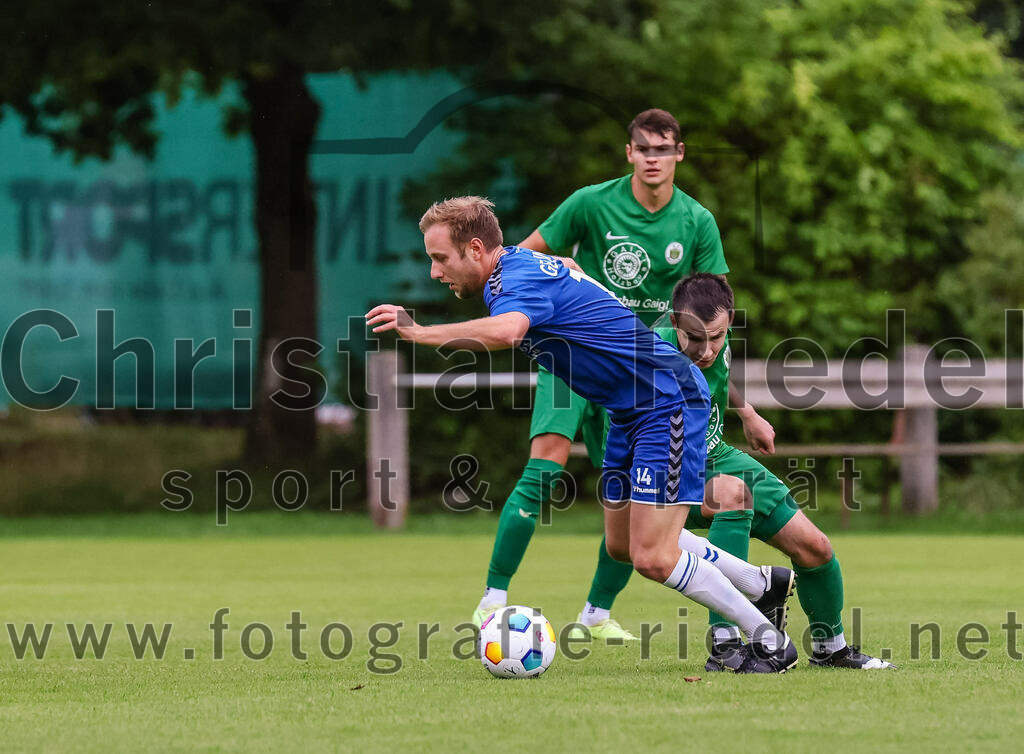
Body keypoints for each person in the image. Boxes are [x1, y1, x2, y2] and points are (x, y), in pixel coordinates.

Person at [366, 196, 797, 673]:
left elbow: (509, 331)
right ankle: (759, 583)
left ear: (474, 248)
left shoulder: (516, 281)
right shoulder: (520, 262)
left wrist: (418, 332)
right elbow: (568, 264)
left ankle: (768, 638)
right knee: (621, 544)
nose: (433, 271)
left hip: (666, 402)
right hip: (628, 413)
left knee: (653, 557)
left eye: (439, 258)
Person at [475, 108, 747, 639]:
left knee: (623, 493)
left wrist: (743, 405)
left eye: (662, 149)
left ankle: (596, 614)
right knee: (546, 464)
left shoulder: (697, 221)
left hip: (645, 371)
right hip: (573, 352)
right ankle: (493, 597)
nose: (652, 158)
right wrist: (562, 275)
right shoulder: (590, 203)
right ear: (629, 153)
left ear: (679, 154)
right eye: (643, 148)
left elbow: (714, 318)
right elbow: (516, 257)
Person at [654, 272, 894, 670]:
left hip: (718, 453)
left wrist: (747, 413)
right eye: (697, 340)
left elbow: (718, 372)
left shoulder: (708, 333)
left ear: (729, 318)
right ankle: (726, 640)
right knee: (732, 496)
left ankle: (830, 648)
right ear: (675, 323)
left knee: (815, 547)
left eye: (717, 336)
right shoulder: (652, 360)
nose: (708, 349)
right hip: (669, 468)